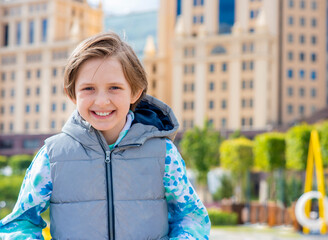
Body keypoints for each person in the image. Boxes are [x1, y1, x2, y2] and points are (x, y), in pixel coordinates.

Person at [0, 32, 210, 239]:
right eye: (89, 88)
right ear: (72, 94)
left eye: (114, 88)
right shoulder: (52, 157)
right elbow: (20, 224)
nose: (101, 101)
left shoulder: (163, 154)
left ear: (135, 92)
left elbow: (192, 218)